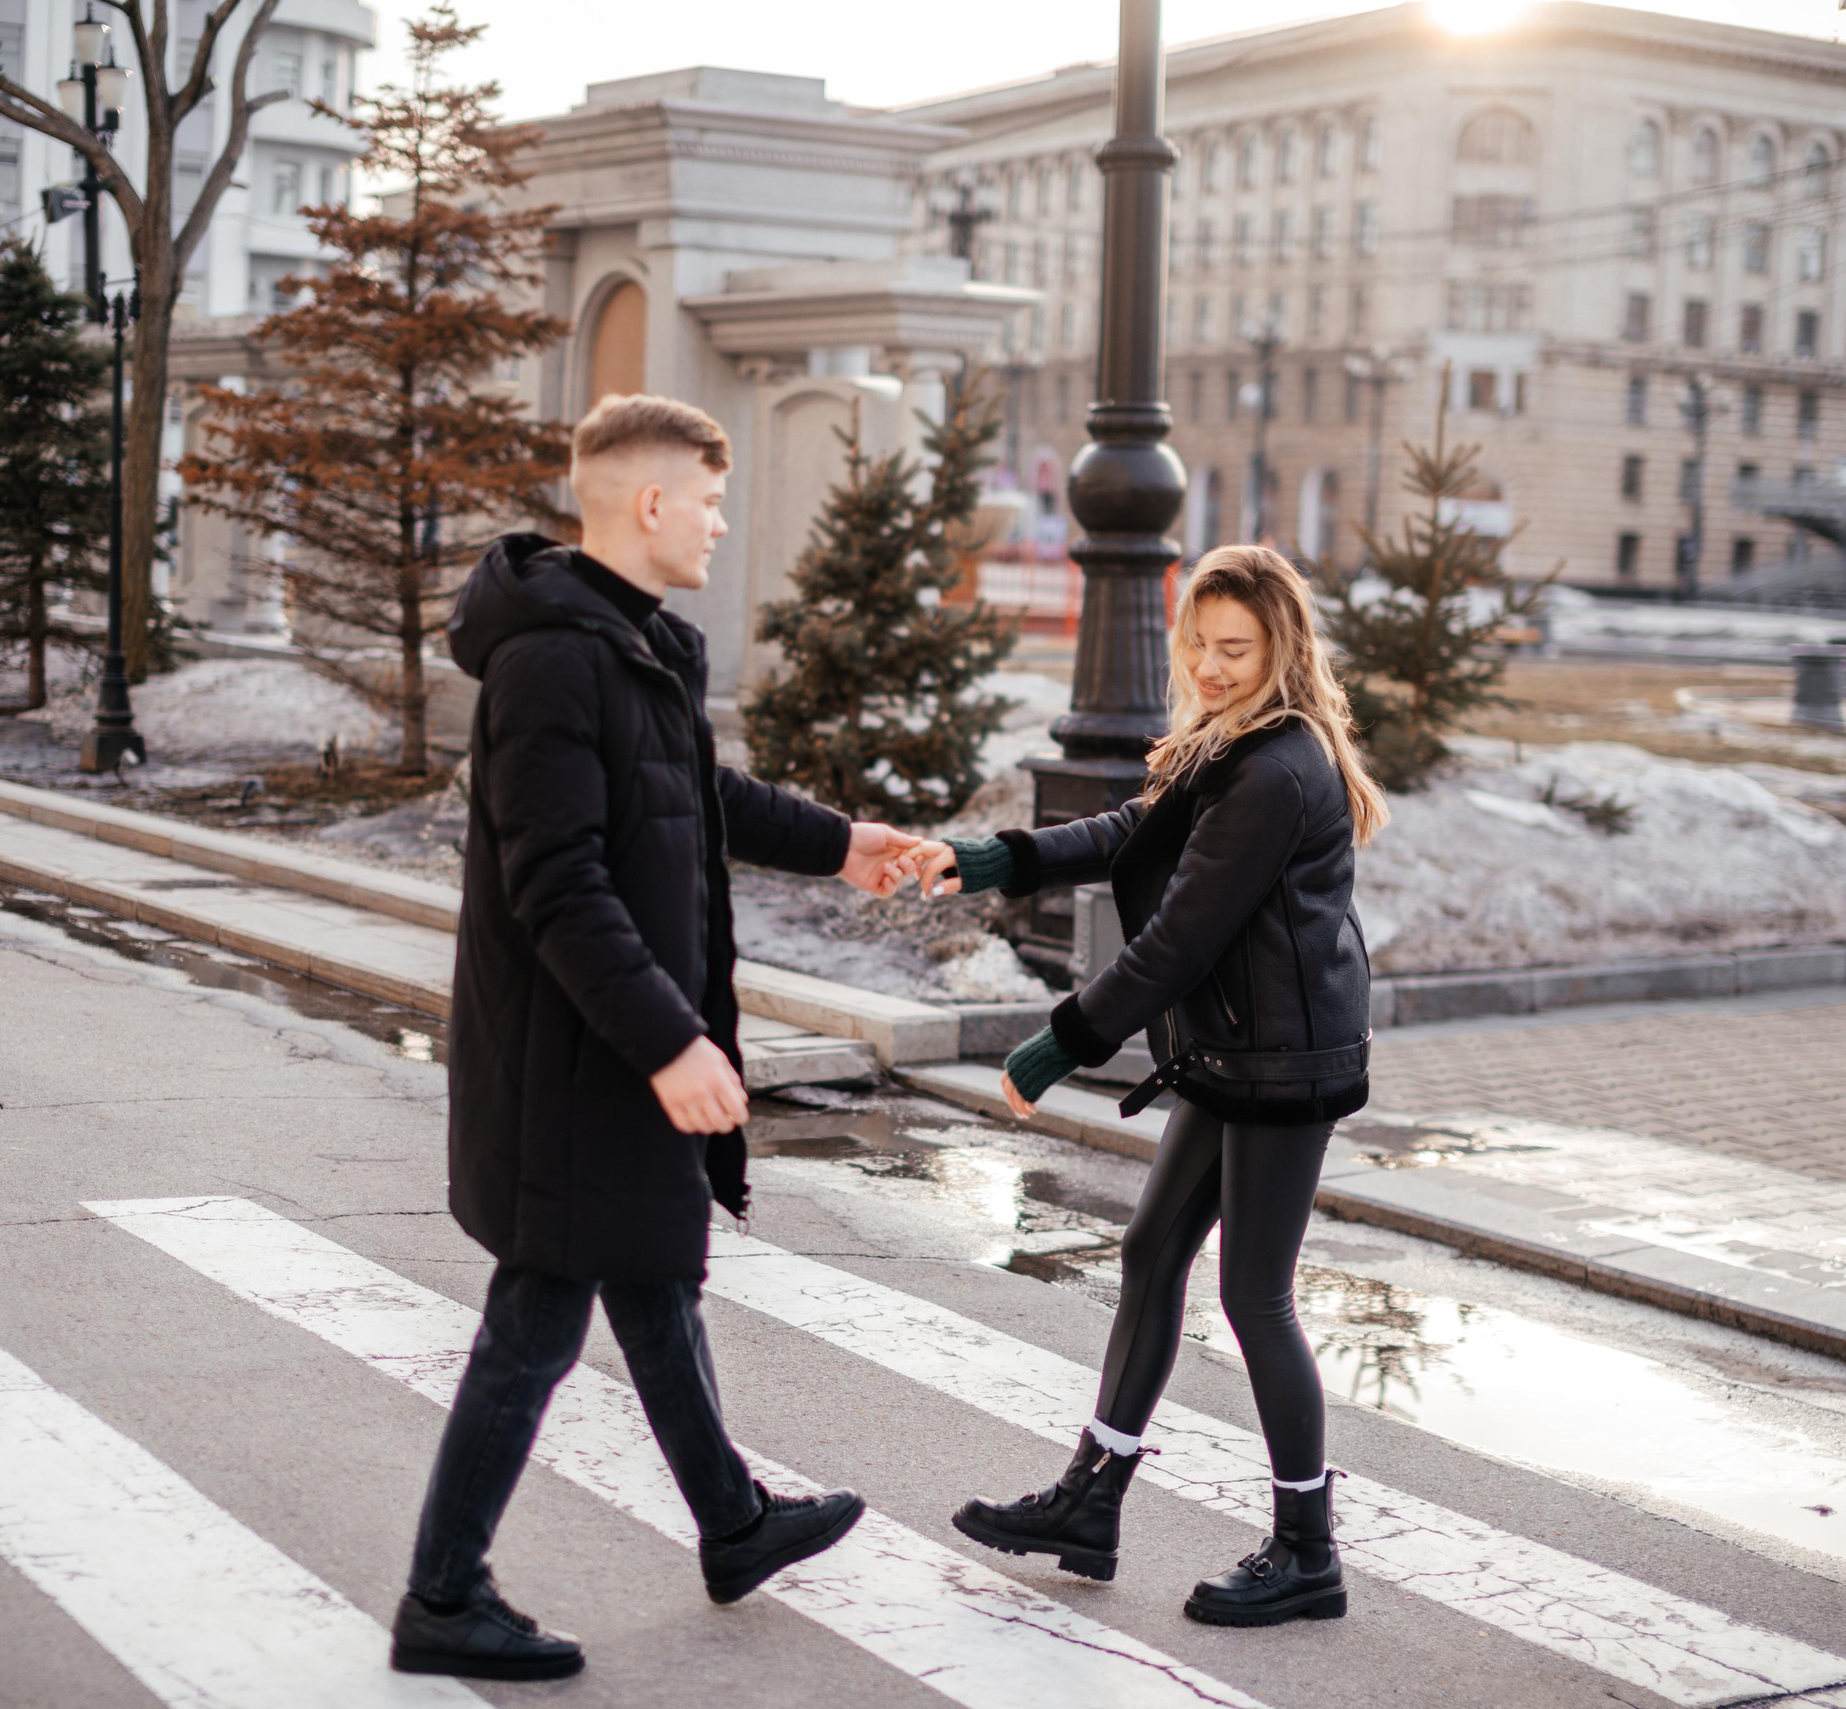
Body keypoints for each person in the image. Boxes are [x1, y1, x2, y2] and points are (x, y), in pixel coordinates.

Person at [392, 394, 926, 1681]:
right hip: (575, 1058)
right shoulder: (550, 662)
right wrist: (671, 1042)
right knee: (537, 1317)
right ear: (646, 504)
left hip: (610, 1047)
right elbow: (557, 884)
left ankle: (732, 1521)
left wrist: (838, 843)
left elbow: (699, 789)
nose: (719, 522)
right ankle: (442, 1594)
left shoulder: (633, 642)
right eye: (707, 498)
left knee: (651, 1276)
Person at [911, 544, 1388, 1627]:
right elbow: (1135, 829)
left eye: (1238, 648)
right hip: (1234, 1047)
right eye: (1200, 645)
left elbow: (1177, 939)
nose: (1213, 667)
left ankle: (1307, 1548)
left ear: (1280, 648)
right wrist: (996, 858)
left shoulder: (1276, 768)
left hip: (1283, 1062)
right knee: (1148, 1253)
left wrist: (1057, 1042)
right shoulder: (1230, 745)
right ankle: (1091, 1497)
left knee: (1253, 1295)